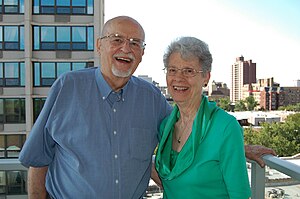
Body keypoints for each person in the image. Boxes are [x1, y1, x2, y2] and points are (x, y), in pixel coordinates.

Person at [19, 16, 275, 199]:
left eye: (135, 42)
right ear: (99, 46)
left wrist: (239, 147)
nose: (126, 48)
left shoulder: (150, 97)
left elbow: (192, 132)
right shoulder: (67, 87)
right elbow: (38, 159)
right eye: (116, 39)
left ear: (142, 53)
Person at [154, 36, 251, 198]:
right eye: (172, 70)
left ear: (206, 77)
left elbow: (239, 195)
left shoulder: (226, 127)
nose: (178, 78)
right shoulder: (166, 127)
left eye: (189, 71)